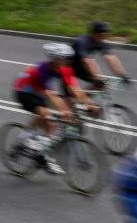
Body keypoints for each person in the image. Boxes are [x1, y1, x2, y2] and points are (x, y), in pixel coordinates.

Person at [12, 43, 99, 175]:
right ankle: (26, 135)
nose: (68, 63)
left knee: (51, 128)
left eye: (69, 60)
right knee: (44, 112)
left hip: (39, 91)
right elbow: (51, 93)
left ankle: (43, 157)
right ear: (55, 59)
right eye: (65, 60)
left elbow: (75, 89)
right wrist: (64, 110)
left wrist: (89, 104)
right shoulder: (43, 69)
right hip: (24, 91)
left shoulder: (66, 69)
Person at [72, 21, 130, 90]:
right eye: (100, 35)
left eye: (105, 35)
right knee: (71, 93)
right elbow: (88, 62)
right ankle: (72, 99)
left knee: (100, 86)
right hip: (67, 68)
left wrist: (123, 75)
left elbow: (111, 58)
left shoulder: (101, 41)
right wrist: (98, 78)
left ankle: (82, 99)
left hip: (81, 66)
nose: (103, 37)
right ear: (93, 33)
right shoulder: (82, 41)